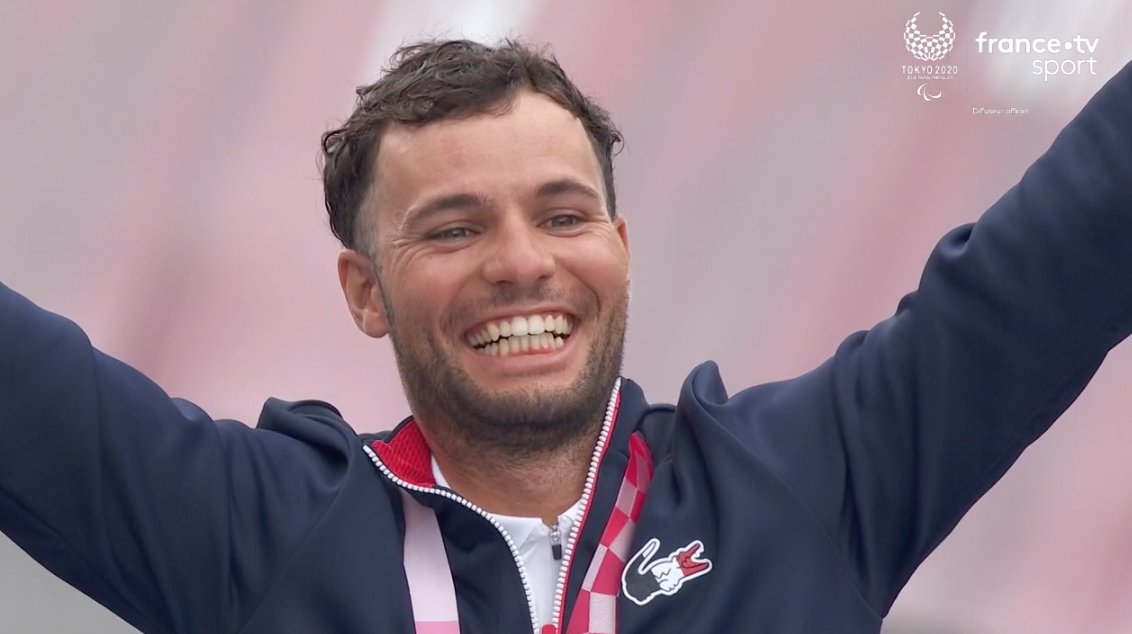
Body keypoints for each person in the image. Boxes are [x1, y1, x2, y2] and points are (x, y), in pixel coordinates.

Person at [1, 37, 1131, 634]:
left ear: (619, 247)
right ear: (365, 290)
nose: (521, 262)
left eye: (562, 215)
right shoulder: (257, 532)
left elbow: (1066, 243)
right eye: (454, 228)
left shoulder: (805, 482)